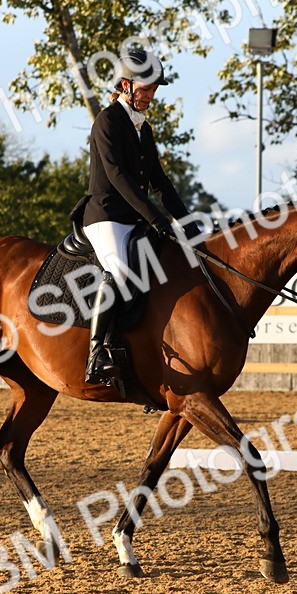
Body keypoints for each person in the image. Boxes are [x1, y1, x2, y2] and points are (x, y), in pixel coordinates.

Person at [80, 46, 192, 385]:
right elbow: (117, 176)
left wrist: (187, 222)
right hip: (106, 216)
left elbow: (159, 181)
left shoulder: (143, 128)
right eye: (146, 89)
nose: (151, 96)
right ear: (126, 85)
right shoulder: (107, 120)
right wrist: (155, 217)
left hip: (135, 218)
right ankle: (97, 353)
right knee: (120, 269)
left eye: (154, 90)